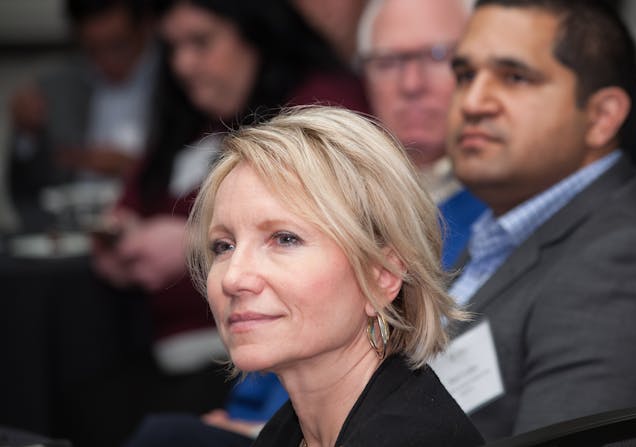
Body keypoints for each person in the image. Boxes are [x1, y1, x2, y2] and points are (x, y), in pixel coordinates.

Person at [69, 1, 368, 445]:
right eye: (172, 48)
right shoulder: (189, 115)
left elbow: (327, 227)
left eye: (201, 42)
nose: (183, 63)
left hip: (260, 362)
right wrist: (118, 240)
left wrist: (197, 243)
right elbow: (130, 200)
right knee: (75, 399)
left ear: (256, 35)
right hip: (166, 349)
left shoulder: (318, 109)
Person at [443, 1, 636, 446]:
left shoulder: (630, 271)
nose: (474, 102)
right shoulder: (500, 228)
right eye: (465, 76)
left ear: (601, 117)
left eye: (515, 77)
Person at [186, 105, 485, 447]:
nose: (233, 278)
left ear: (382, 276)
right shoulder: (287, 432)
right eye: (223, 246)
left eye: (285, 239)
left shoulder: (412, 438)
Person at [357, 0, 485, 269]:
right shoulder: (341, 197)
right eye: (387, 62)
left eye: (438, 56)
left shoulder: (513, 198)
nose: (411, 84)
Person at [8, 0, 158, 222]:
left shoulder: (179, 80)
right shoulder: (56, 87)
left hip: (154, 224)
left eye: (118, 45)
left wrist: (138, 169)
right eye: (92, 49)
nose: (106, 60)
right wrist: (26, 136)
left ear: (146, 27)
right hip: (71, 228)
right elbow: (26, 194)